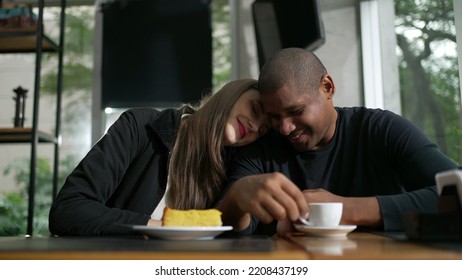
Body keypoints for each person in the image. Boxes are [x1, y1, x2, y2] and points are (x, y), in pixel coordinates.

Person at [216, 48, 458, 236]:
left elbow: (457, 194)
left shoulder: (382, 130)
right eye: (275, 117)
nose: (285, 128)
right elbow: (233, 228)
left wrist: (344, 210)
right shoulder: (261, 150)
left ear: (327, 87)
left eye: (296, 110)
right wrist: (236, 200)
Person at [49, 78, 269, 236]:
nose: (254, 126)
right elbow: (68, 209)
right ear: (229, 93)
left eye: (262, 131)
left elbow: (238, 231)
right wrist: (158, 226)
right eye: (254, 110)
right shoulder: (140, 127)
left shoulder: (233, 168)